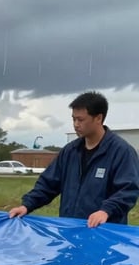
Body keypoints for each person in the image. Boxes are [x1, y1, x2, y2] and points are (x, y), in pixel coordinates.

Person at [9, 91, 139, 227]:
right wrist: (26, 206)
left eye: (81, 119)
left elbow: (128, 190)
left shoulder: (121, 152)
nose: (76, 124)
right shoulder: (70, 151)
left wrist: (105, 211)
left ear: (98, 118)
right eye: (73, 119)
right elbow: (48, 184)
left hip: (104, 234)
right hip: (69, 231)